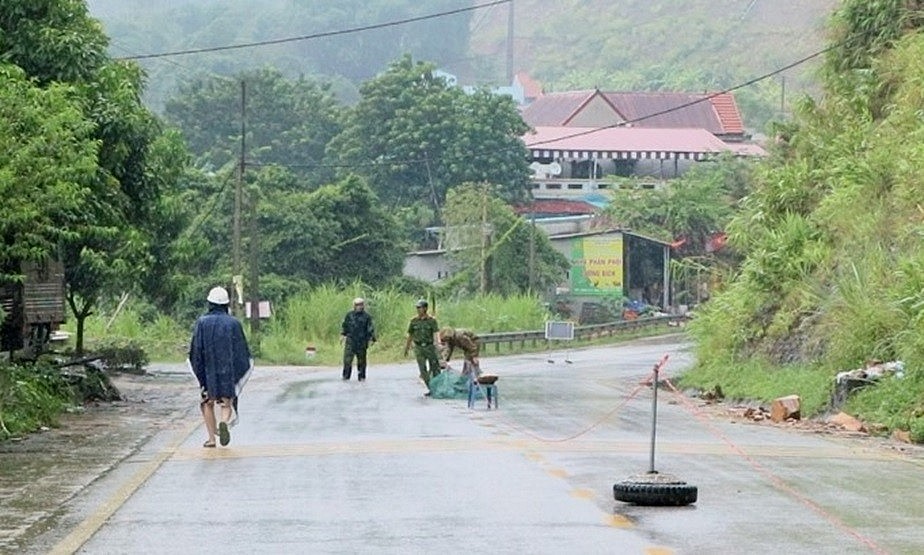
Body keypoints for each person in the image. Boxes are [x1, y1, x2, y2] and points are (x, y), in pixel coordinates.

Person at [188, 286, 252, 448]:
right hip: (228, 372)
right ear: (226, 304)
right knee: (226, 403)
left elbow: (196, 351)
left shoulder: (202, 322)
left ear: (209, 303)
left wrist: (200, 375)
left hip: (209, 372)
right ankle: (223, 422)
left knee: (207, 403)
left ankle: (211, 439)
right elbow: (241, 351)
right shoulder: (234, 323)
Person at [403, 298, 440, 393]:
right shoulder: (414, 321)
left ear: (425, 308)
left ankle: (437, 387)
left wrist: (438, 345)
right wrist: (406, 348)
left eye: (420, 307)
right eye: (417, 308)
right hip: (419, 348)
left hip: (429, 346)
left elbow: (436, 334)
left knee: (435, 367)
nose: (418, 309)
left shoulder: (431, 321)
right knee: (422, 369)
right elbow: (410, 335)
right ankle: (431, 388)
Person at [340, 297, 376, 381]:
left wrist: (371, 339)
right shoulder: (349, 315)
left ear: (363, 305)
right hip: (351, 341)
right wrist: (342, 335)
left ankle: (362, 377)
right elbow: (345, 326)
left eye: (361, 305)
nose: (359, 307)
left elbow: (370, 328)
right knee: (347, 360)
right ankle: (346, 376)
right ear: (354, 306)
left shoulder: (367, 317)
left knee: (361, 361)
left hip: (362, 342)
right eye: (357, 305)